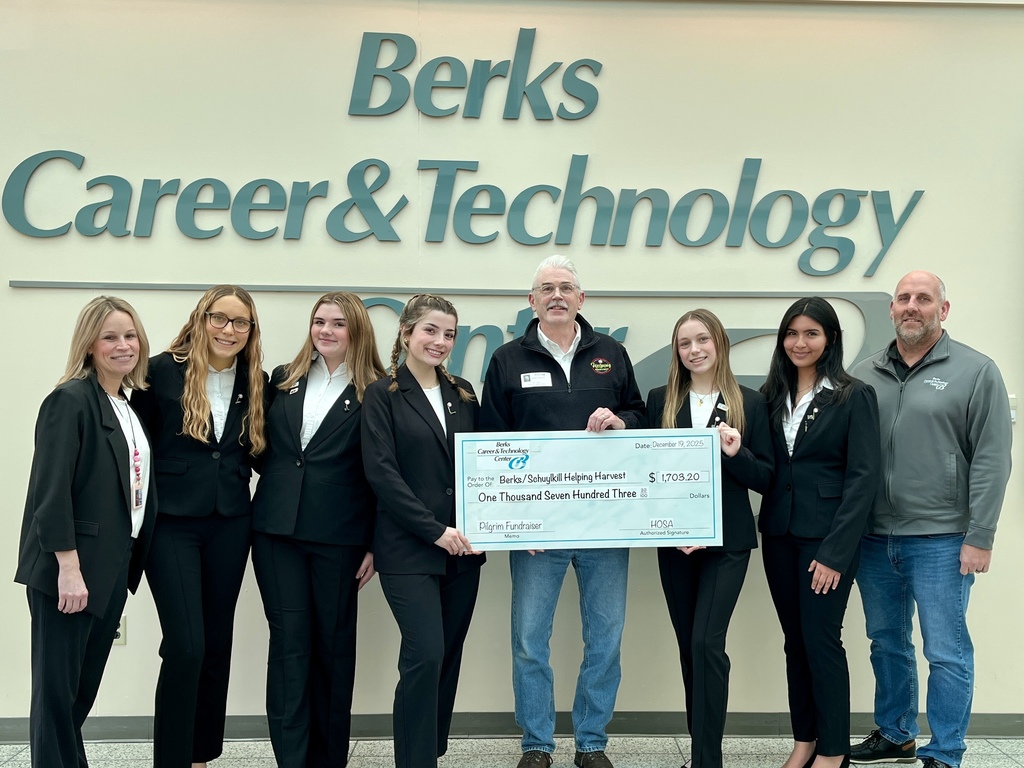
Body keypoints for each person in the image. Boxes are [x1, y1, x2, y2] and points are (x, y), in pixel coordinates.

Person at [479, 255, 645, 768]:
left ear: (581, 299)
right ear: (531, 301)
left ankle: (592, 742)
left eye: (566, 287)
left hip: (604, 526)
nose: (556, 295)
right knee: (530, 640)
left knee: (606, 639)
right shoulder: (508, 359)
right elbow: (491, 444)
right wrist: (512, 524)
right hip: (539, 531)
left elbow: (640, 416)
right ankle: (536, 744)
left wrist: (619, 420)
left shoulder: (612, 353)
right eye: (546, 288)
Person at [849, 271, 1012, 768]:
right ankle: (896, 733)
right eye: (903, 299)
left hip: (943, 538)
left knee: (945, 649)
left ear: (943, 309)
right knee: (886, 643)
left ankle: (945, 751)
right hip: (874, 537)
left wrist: (979, 535)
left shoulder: (976, 371)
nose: (911, 306)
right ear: (892, 309)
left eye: (924, 298)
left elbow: (992, 458)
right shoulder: (864, 372)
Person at [15, 296, 157, 768]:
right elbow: (49, 495)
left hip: (110, 569)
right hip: (69, 571)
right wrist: (68, 569)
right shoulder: (70, 399)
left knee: (79, 693)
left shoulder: (123, 404)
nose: (123, 345)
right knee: (57, 696)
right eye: (110, 336)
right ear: (90, 344)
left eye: (130, 335)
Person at [131, 285, 267, 768]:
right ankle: (171, 759)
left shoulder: (257, 378)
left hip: (231, 523)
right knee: (186, 645)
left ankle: (201, 756)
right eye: (221, 318)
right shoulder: (162, 370)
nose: (229, 330)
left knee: (214, 643)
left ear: (251, 331)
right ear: (201, 317)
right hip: (171, 523)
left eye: (241, 323)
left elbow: (259, 452)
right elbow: (136, 449)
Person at [251, 292, 386, 767]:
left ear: (357, 332)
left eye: (338, 324)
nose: (325, 331)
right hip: (275, 533)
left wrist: (374, 541)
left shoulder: (378, 391)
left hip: (341, 537)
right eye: (319, 321)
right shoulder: (281, 381)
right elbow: (260, 447)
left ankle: (329, 759)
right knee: (289, 644)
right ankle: (291, 757)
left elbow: (382, 473)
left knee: (331, 648)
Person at [361, 293, 484, 768]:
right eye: (430, 330)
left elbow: (487, 466)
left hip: (464, 551)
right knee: (425, 655)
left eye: (449, 333)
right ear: (407, 333)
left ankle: (430, 751)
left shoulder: (463, 393)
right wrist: (434, 530)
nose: (440, 341)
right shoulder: (382, 394)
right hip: (408, 548)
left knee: (447, 656)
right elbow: (382, 474)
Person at [646, 309, 774, 768]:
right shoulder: (660, 399)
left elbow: (767, 478)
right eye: (684, 343)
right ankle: (701, 753)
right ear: (676, 351)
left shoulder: (752, 402)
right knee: (689, 648)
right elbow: (647, 473)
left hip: (728, 544)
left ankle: (707, 760)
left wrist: (736, 454)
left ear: (719, 343)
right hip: (676, 544)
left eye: (703, 340)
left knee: (706, 643)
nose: (694, 350)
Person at [759, 297, 880, 768]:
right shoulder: (771, 395)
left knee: (821, 639)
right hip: (779, 534)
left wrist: (834, 552)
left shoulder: (853, 395)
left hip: (827, 542)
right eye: (792, 333)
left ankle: (833, 750)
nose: (799, 342)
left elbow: (863, 479)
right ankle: (804, 740)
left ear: (830, 339)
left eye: (811, 333)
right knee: (795, 640)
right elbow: (770, 468)